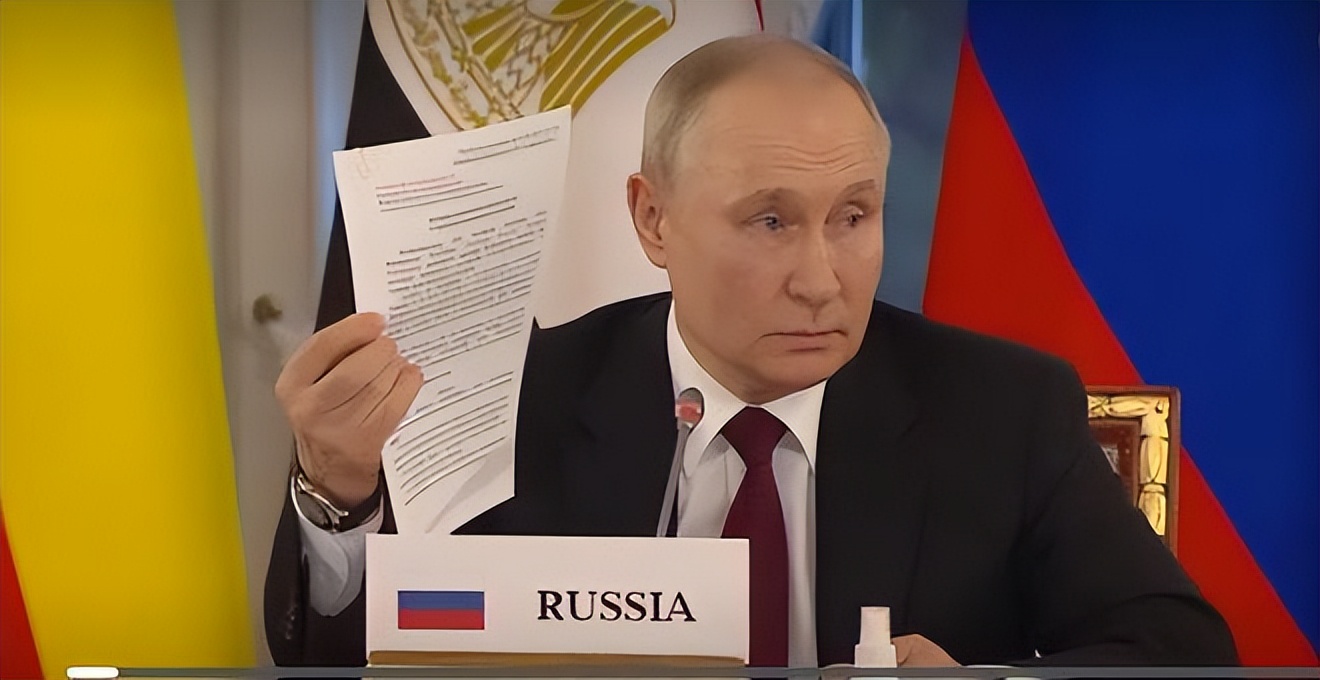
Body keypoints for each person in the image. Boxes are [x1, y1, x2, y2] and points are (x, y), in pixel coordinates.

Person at [264, 34, 1237, 668]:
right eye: (770, 221)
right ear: (653, 219)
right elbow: (350, 656)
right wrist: (339, 490)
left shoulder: (1002, 408)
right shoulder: (525, 399)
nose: (822, 278)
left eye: (852, 216)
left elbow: (1179, 651)